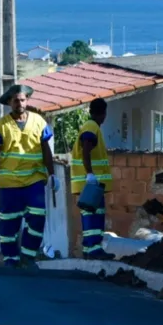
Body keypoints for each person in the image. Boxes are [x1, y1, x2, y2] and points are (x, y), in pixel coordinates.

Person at [0, 84, 59, 267]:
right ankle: (11, 259)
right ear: (10, 102)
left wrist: (52, 174)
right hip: (9, 183)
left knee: (37, 217)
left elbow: (46, 150)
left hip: (34, 180)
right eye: (15, 100)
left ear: (27, 100)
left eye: (22, 99)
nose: (19, 103)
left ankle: (28, 256)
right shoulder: (0, 126)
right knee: (9, 223)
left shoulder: (39, 122)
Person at [70, 98, 114, 259]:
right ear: (103, 114)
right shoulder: (91, 127)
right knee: (93, 215)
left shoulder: (90, 127)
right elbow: (86, 149)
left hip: (90, 182)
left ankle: (91, 249)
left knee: (92, 215)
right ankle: (93, 249)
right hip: (89, 183)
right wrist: (89, 173)